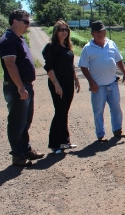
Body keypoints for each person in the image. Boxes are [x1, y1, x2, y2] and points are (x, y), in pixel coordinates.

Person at [0, 9, 45, 166]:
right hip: (16, 87)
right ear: (14, 22)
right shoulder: (7, 40)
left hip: (25, 86)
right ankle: (17, 155)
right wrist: (20, 87)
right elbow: (10, 65)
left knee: (25, 120)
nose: (28, 24)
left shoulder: (19, 38)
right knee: (17, 121)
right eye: (26, 21)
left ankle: (25, 149)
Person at [79, 21, 125, 142]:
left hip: (112, 83)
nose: (99, 34)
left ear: (105, 31)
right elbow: (83, 66)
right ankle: (100, 135)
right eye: (96, 32)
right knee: (98, 111)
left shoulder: (111, 44)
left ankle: (118, 130)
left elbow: (118, 60)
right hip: (98, 86)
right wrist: (91, 82)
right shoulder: (88, 48)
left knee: (116, 108)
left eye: (101, 31)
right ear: (92, 33)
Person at [42, 20, 81, 154]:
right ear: (56, 32)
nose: (64, 32)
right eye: (61, 29)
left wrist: (76, 79)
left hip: (69, 81)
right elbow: (49, 67)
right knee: (59, 112)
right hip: (57, 82)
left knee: (65, 111)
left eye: (66, 29)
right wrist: (56, 85)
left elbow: (71, 66)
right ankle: (54, 143)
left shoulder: (67, 46)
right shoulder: (51, 47)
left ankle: (65, 141)